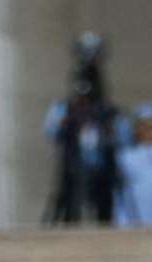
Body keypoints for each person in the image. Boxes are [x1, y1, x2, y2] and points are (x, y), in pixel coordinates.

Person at [43, 32, 125, 226]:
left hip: (102, 169)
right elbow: (51, 131)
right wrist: (67, 120)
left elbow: (123, 138)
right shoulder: (63, 108)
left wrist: (108, 130)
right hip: (72, 168)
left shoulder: (109, 112)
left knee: (105, 208)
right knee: (70, 205)